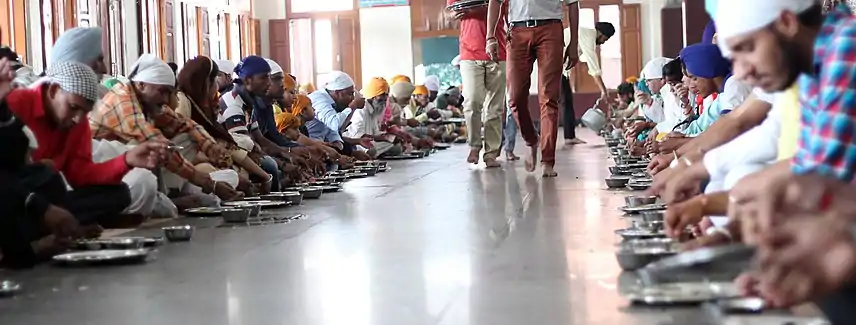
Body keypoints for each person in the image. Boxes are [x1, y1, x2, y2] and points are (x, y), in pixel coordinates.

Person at [10, 61, 168, 228]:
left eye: (84, 112)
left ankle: (60, 225)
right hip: (17, 197)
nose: (78, 119)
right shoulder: (15, 104)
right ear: (54, 90)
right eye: (73, 107)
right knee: (46, 176)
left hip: (51, 197)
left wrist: (127, 160)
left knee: (120, 193)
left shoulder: (78, 121)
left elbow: (81, 175)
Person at [91, 54, 242, 202]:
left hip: (136, 171)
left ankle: (170, 194)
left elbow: (187, 124)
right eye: (162, 92)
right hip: (105, 175)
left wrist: (214, 150)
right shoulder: (123, 102)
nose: (166, 99)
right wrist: (207, 183)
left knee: (190, 138)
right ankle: (167, 198)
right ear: (141, 85)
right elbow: (156, 145)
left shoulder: (147, 101)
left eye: (169, 93)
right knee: (151, 154)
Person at [487, 0, 580, 177]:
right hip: (517, 31)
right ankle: (531, 139)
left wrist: (573, 43)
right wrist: (490, 37)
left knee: (549, 97)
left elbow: (573, 4)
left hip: (550, 30)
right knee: (514, 97)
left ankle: (548, 160)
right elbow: (495, 2)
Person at [175, 56, 276, 194]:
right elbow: (179, 147)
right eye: (264, 78)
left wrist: (265, 177)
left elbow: (228, 146)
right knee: (220, 173)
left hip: (203, 161)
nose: (269, 83)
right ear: (206, 83)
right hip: (184, 167)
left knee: (241, 171)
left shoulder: (203, 106)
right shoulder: (183, 102)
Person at [448, 0, 508, 167]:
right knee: (472, 101)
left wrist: (475, 10)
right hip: (469, 52)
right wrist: (454, 15)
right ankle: (474, 145)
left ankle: (491, 153)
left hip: (498, 51)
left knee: (494, 108)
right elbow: (451, 11)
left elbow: (506, 11)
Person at [561, 22, 616, 147]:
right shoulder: (588, 36)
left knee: (565, 102)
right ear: (601, 34)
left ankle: (569, 136)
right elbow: (593, 66)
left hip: (560, 69)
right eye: (604, 39)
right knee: (561, 102)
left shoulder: (584, 32)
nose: (602, 42)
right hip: (554, 68)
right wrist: (603, 90)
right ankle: (561, 136)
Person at [308, 71, 374, 155]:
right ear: (337, 93)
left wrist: (357, 142)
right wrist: (353, 106)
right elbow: (335, 124)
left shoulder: (334, 104)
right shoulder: (320, 100)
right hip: (310, 149)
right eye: (350, 94)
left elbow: (335, 134)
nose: (352, 98)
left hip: (322, 145)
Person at [344, 77, 403, 158]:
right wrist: (383, 137)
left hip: (369, 142)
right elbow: (358, 136)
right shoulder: (361, 111)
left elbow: (375, 133)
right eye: (382, 95)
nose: (385, 98)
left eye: (386, 95)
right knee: (372, 150)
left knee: (396, 147)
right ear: (372, 97)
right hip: (357, 144)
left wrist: (390, 137)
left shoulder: (375, 110)